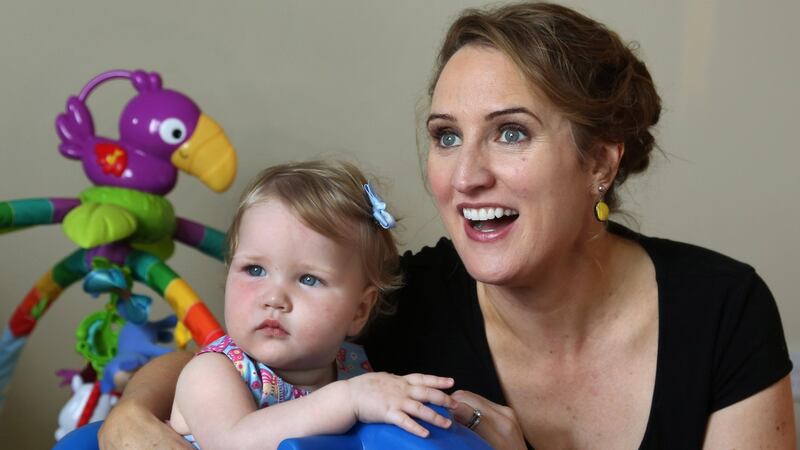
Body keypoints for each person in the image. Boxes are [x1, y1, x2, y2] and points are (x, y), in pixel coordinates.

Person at [99, 2, 796, 449]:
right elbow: (228, 361)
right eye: (446, 135)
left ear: (601, 163)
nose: (465, 177)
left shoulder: (722, 309)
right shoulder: (406, 297)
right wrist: (129, 419)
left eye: (512, 133)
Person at [168, 160, 456, 448]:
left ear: (359, 311)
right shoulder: (213, 372)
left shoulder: (354, 369)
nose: (274, 298)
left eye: (308, 279)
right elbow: (233, 442)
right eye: (255, 270)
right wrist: (349, 400)